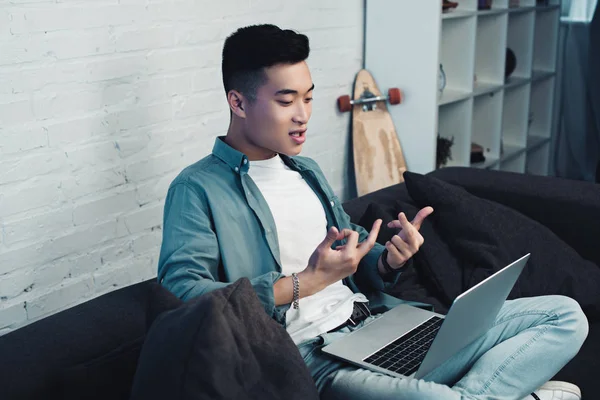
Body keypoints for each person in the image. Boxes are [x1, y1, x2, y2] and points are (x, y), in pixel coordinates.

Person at [157, 24, 588, 400]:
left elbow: (350, 246)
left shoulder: (306, 170)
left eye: (308, 98)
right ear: (239, 102)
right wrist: (303, 283)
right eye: (286, 101)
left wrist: (386, 258)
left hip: (380, 322)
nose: (304, 115)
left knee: (565, 315)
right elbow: (182, 294)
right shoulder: (197, 189)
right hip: (319, 359)